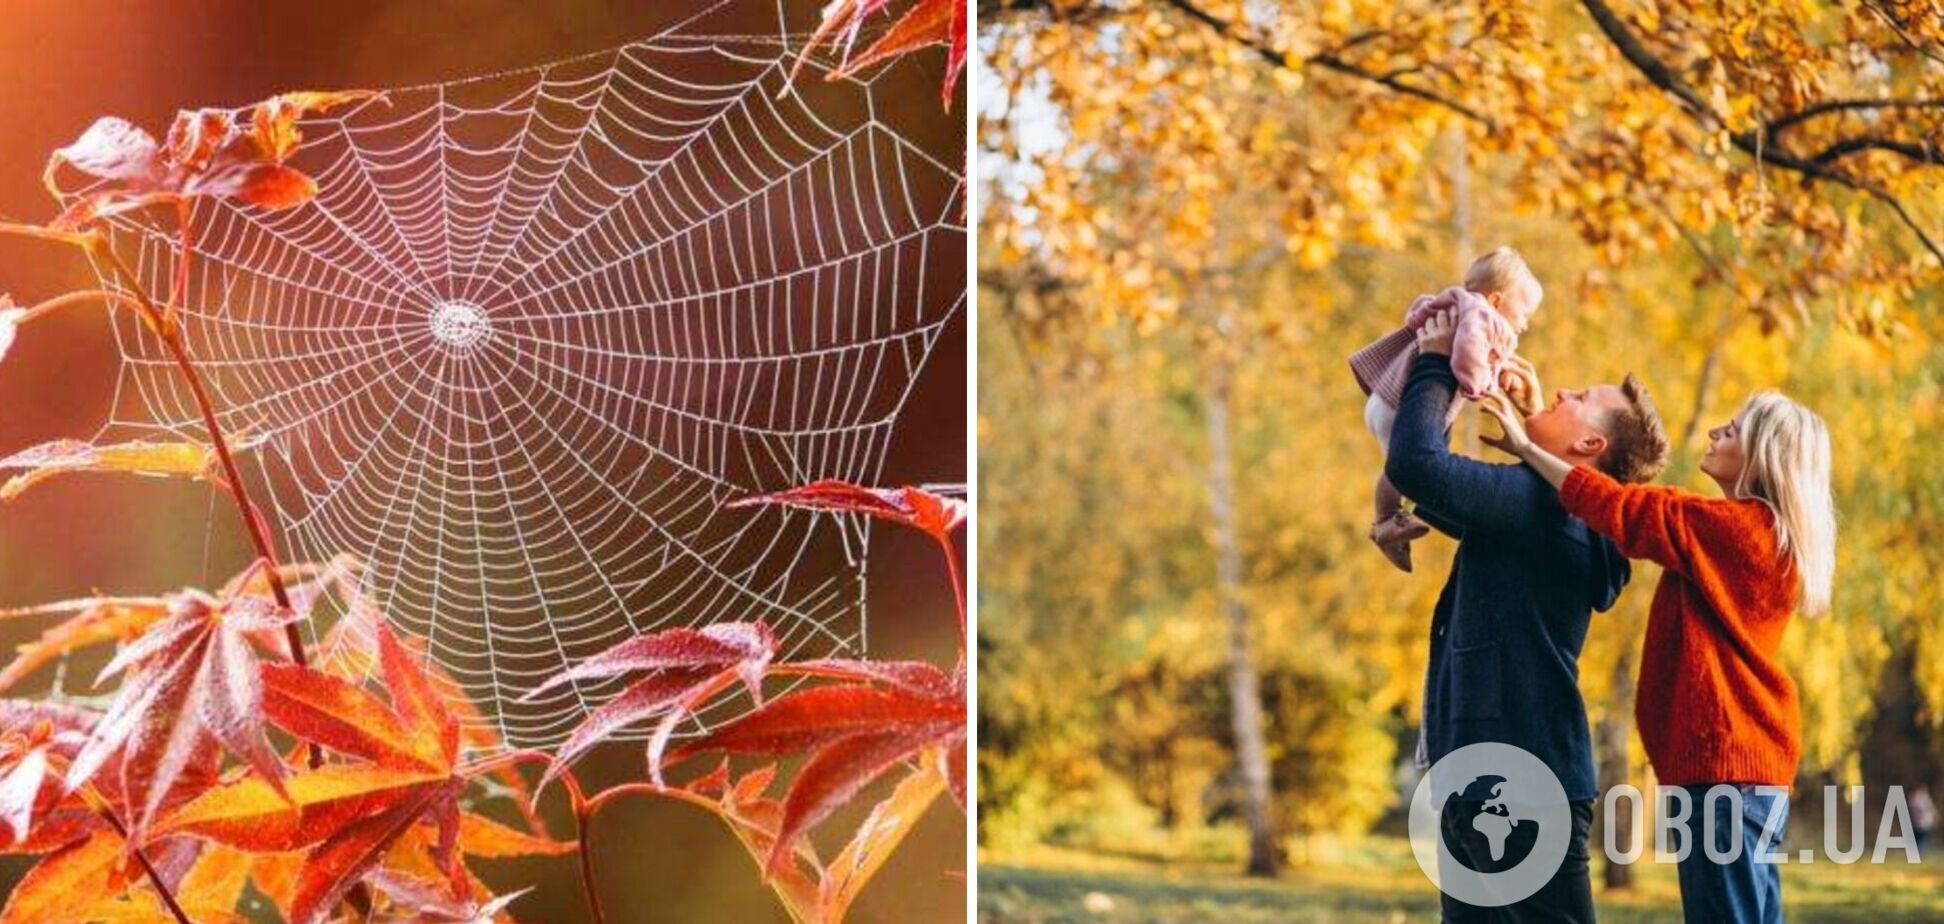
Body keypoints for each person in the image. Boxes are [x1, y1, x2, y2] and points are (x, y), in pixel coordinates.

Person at [1480, 354, 1837, 924]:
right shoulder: (1749, 533)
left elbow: (1619, 506)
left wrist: (1527, 445)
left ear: (1764, 457)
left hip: (1725, 772)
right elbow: (1630, 502)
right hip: (1747, 772)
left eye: (1733, 430)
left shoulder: (1734, 531)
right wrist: (1539, 425)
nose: (1716, 431)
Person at [1387, 310, 1669, 922]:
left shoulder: (1542, 509)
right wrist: (1536, 428)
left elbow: (1417, 466)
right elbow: (1436, 489)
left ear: (1590, 446)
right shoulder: (1553, 512)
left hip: (1517, 781)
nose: (1562, 391)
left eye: (1581, 399)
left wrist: (1437, 360)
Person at [1352, 246, 1545, 573]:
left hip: (1384, 399)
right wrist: (1478, 384)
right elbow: (1468, 352)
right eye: (1524, 313)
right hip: (1400, 407)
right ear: (1497, 300)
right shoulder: (1482, 315)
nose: (1525, 324)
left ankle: (1388, 519)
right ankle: (1386, 522)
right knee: (1403, 468)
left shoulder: (1454, 304)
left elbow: (1419, 315)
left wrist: (1498, 372)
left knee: (1400, 464)